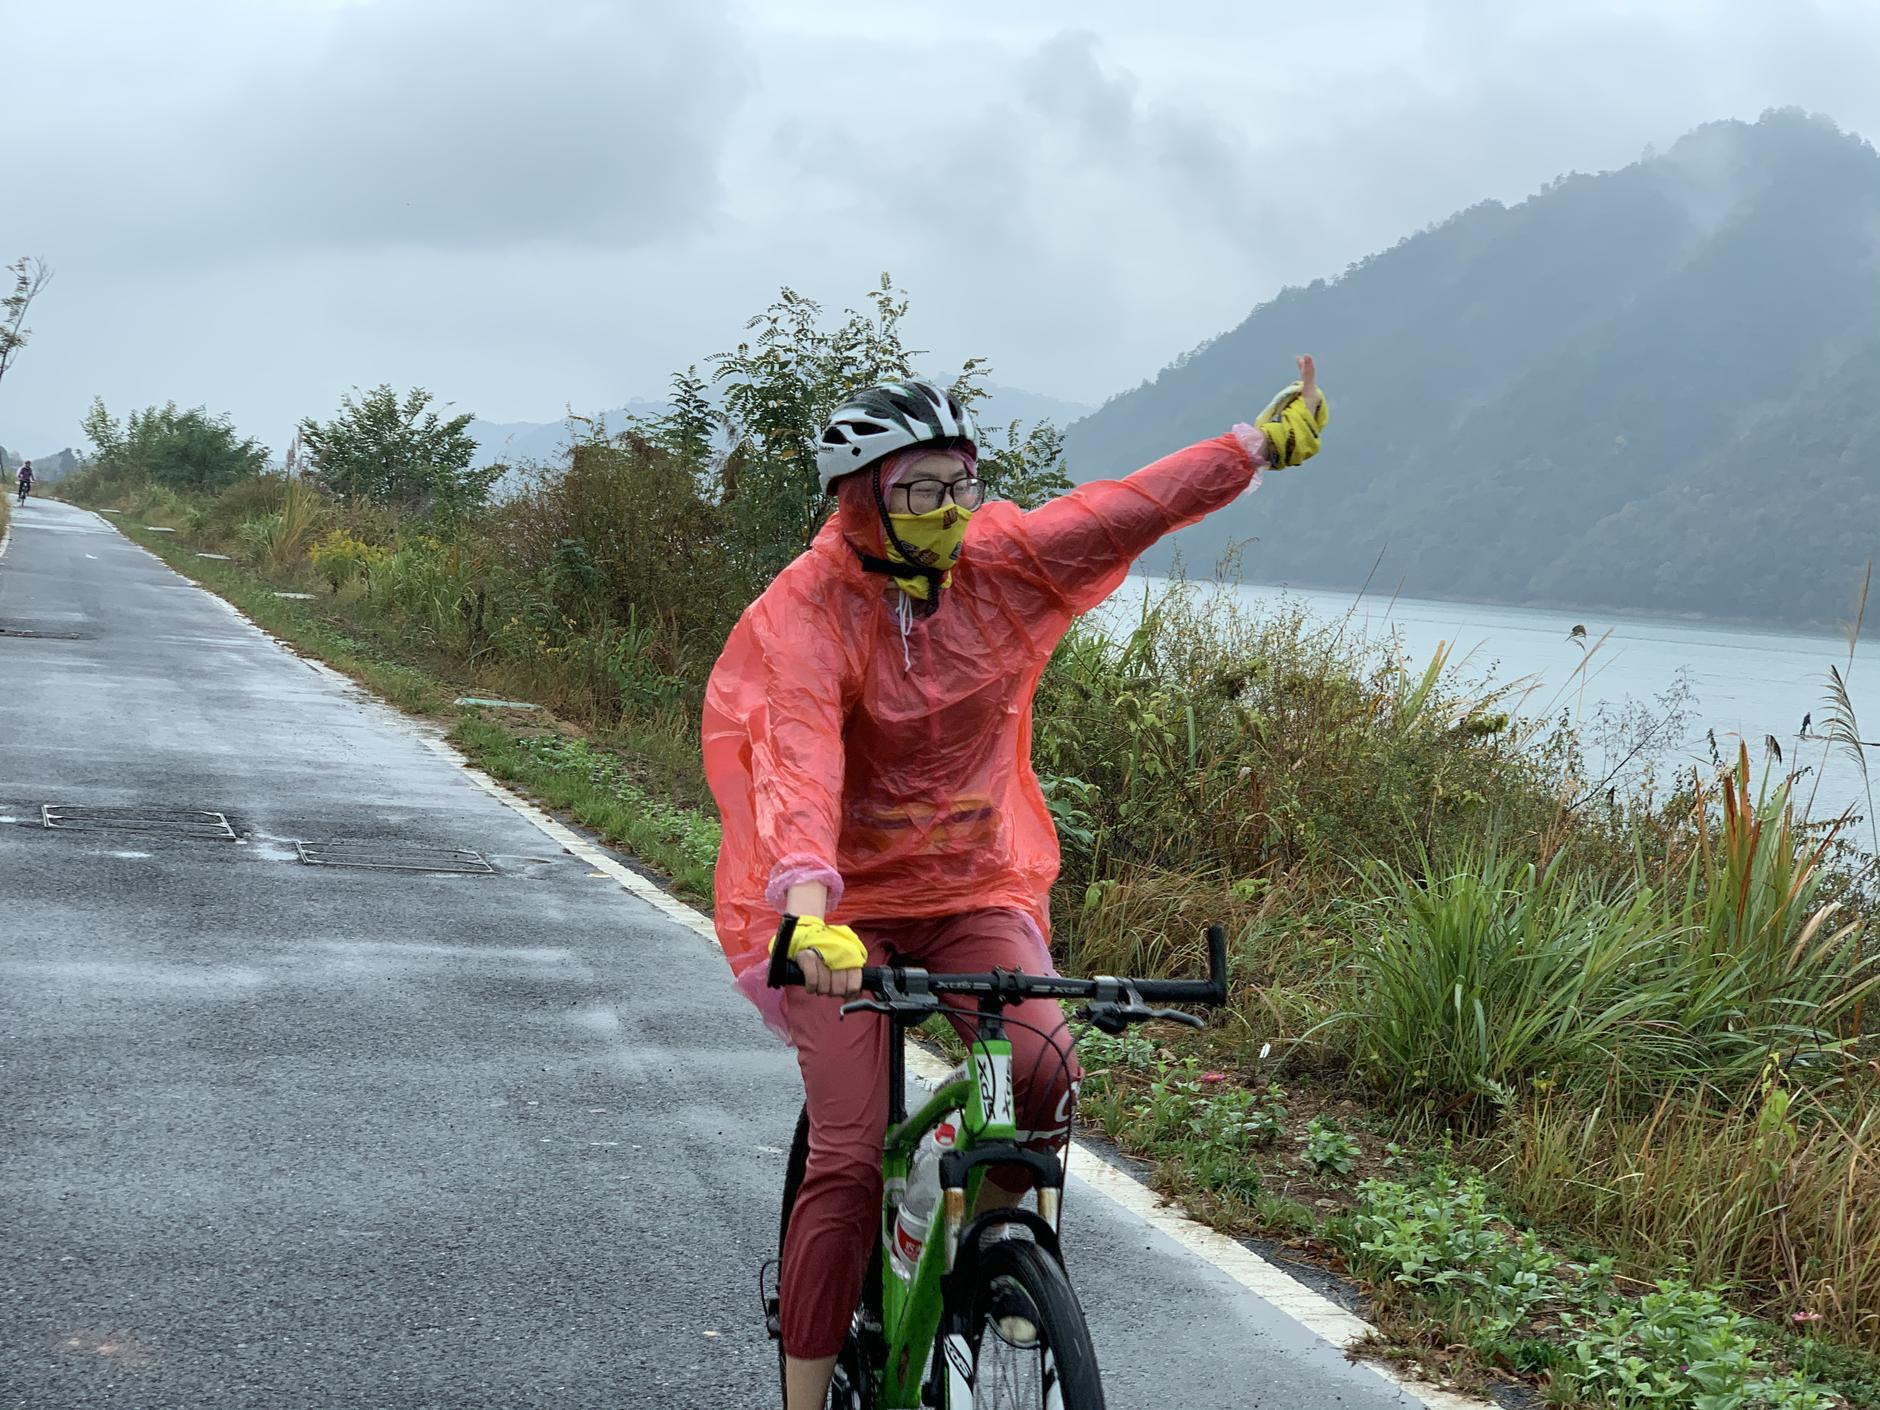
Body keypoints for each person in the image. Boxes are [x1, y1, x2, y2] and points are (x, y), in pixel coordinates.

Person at [703, 359, 1329, 1407]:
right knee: (852, 1155)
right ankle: (805, 1397)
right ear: (859, 500)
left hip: (972, 886)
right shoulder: (806, 611)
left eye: (960, 484)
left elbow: (1120, 511)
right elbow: (798, 760)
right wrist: (808, 915)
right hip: (840, 912)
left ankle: (999, 1259)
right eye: (917, 491)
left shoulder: (999, 565)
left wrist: (1252, 448)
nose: (948, 511)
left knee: (1041, 1068)